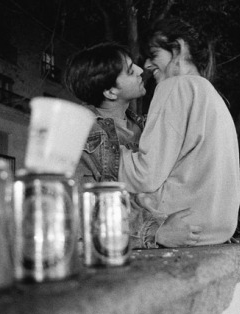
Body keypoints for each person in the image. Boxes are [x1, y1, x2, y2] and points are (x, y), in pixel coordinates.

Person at [65, 42, 201, 248]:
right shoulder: (82, 134)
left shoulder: (147, 127)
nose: (140, 70)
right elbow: (85, 212)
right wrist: (155, 233)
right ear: (110, 92)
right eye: (130, 71)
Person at [118, 18, 240, 246]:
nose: (146, 65)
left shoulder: (176, 86)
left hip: (176, 226)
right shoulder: (213, 96)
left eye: (153, 55)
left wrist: (109, 154)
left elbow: (146, 175)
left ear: (179, 48)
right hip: (215, 231)